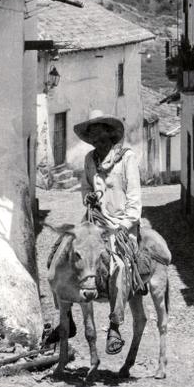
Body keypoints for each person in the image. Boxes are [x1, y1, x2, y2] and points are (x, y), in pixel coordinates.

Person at [76, 110, 142, 355]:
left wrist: (124, 227)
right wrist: (88, 199)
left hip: (121, 225)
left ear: (111, 137)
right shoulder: (89, 160)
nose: (99, 145)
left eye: (103, 140)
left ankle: (114, 324)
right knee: (71, 252)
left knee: (119, 265)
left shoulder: (127, 158)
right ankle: (67, 314)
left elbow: (135, 199)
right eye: (94, 141)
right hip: (96, 223)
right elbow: (85, 188)